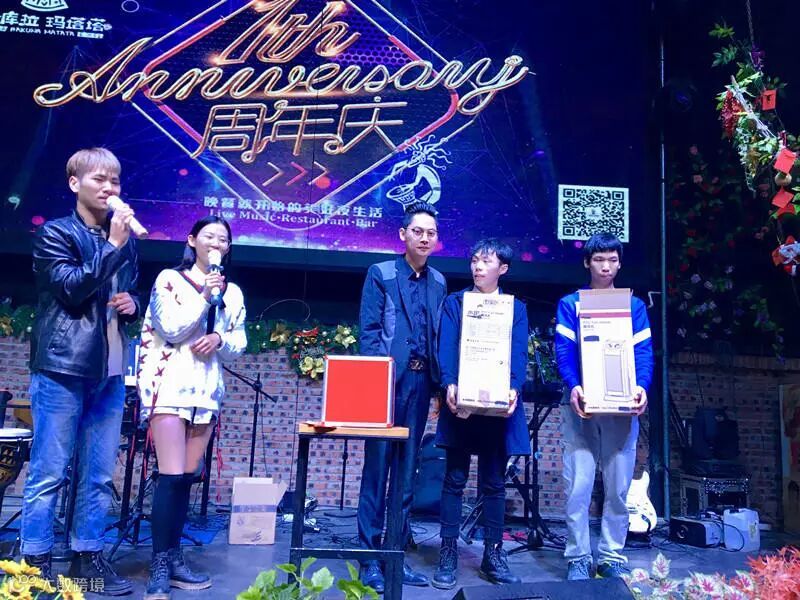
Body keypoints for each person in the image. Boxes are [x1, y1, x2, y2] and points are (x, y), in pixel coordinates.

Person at [23, 147, 138, 595]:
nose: (109, 188)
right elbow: (71, 290)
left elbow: (128, 291)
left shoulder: (125, 240)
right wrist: (112, 245)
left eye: (115, 181)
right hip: (62, 367)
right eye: (99, 180)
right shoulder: (55, 233)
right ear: (75, 184)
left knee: (99, 474)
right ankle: (33, 565)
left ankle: (86, 558)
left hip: (110, 369)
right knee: (49, 471)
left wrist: (132, 305)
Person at [137, 216, 247, 599]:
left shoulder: (233, 293)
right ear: (192, 240)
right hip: (170, 387)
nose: (216, 243)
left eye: (223, 238)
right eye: (209, 236)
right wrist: (204, 296)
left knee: (185, 478)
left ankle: (174, 557)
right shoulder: (170, 279)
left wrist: (219, 338)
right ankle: (159, 564)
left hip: (206, 392)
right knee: (169, 477)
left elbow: (239, 342)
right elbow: (171, 328)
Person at [357, 202, 447, 591]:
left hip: (421, 385)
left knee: (407, 475)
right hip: (386, 385)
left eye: (431, 233)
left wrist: (441, 387)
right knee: (377, 471)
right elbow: (369, 333)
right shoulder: (381, 273)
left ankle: (394, 555)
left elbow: (438, 337)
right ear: (403, 234)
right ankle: (368, 559)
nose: (424, 238)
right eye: (418, 231)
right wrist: (374, 384)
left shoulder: (439, 281)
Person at [554, 232, 654, 580]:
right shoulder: (571, 304)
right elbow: (564, 351)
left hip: (621, 409)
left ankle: (611, 555)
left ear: (620, 264)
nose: (606, 266)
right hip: (581, 406)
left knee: (618, 487)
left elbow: (643, 353)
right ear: (587, 263)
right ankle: (578, 556)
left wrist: (641, 387)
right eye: (599, 259)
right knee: (578, 486)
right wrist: (574, 385)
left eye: (612, 260)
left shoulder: (633, 306)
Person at [431, 238, 529, 589]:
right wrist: (448, 384)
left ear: (503, 268)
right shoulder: (456, 302)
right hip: (461, 402)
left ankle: (493, 554)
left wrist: (513, 387)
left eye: (486, 261)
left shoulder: (515, 308)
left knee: (494, 483)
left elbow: (518, 352)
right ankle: (447, 552)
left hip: (497, 406)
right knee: (454, 479)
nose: (477, 266)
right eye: (474, 260)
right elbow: (445, 346)